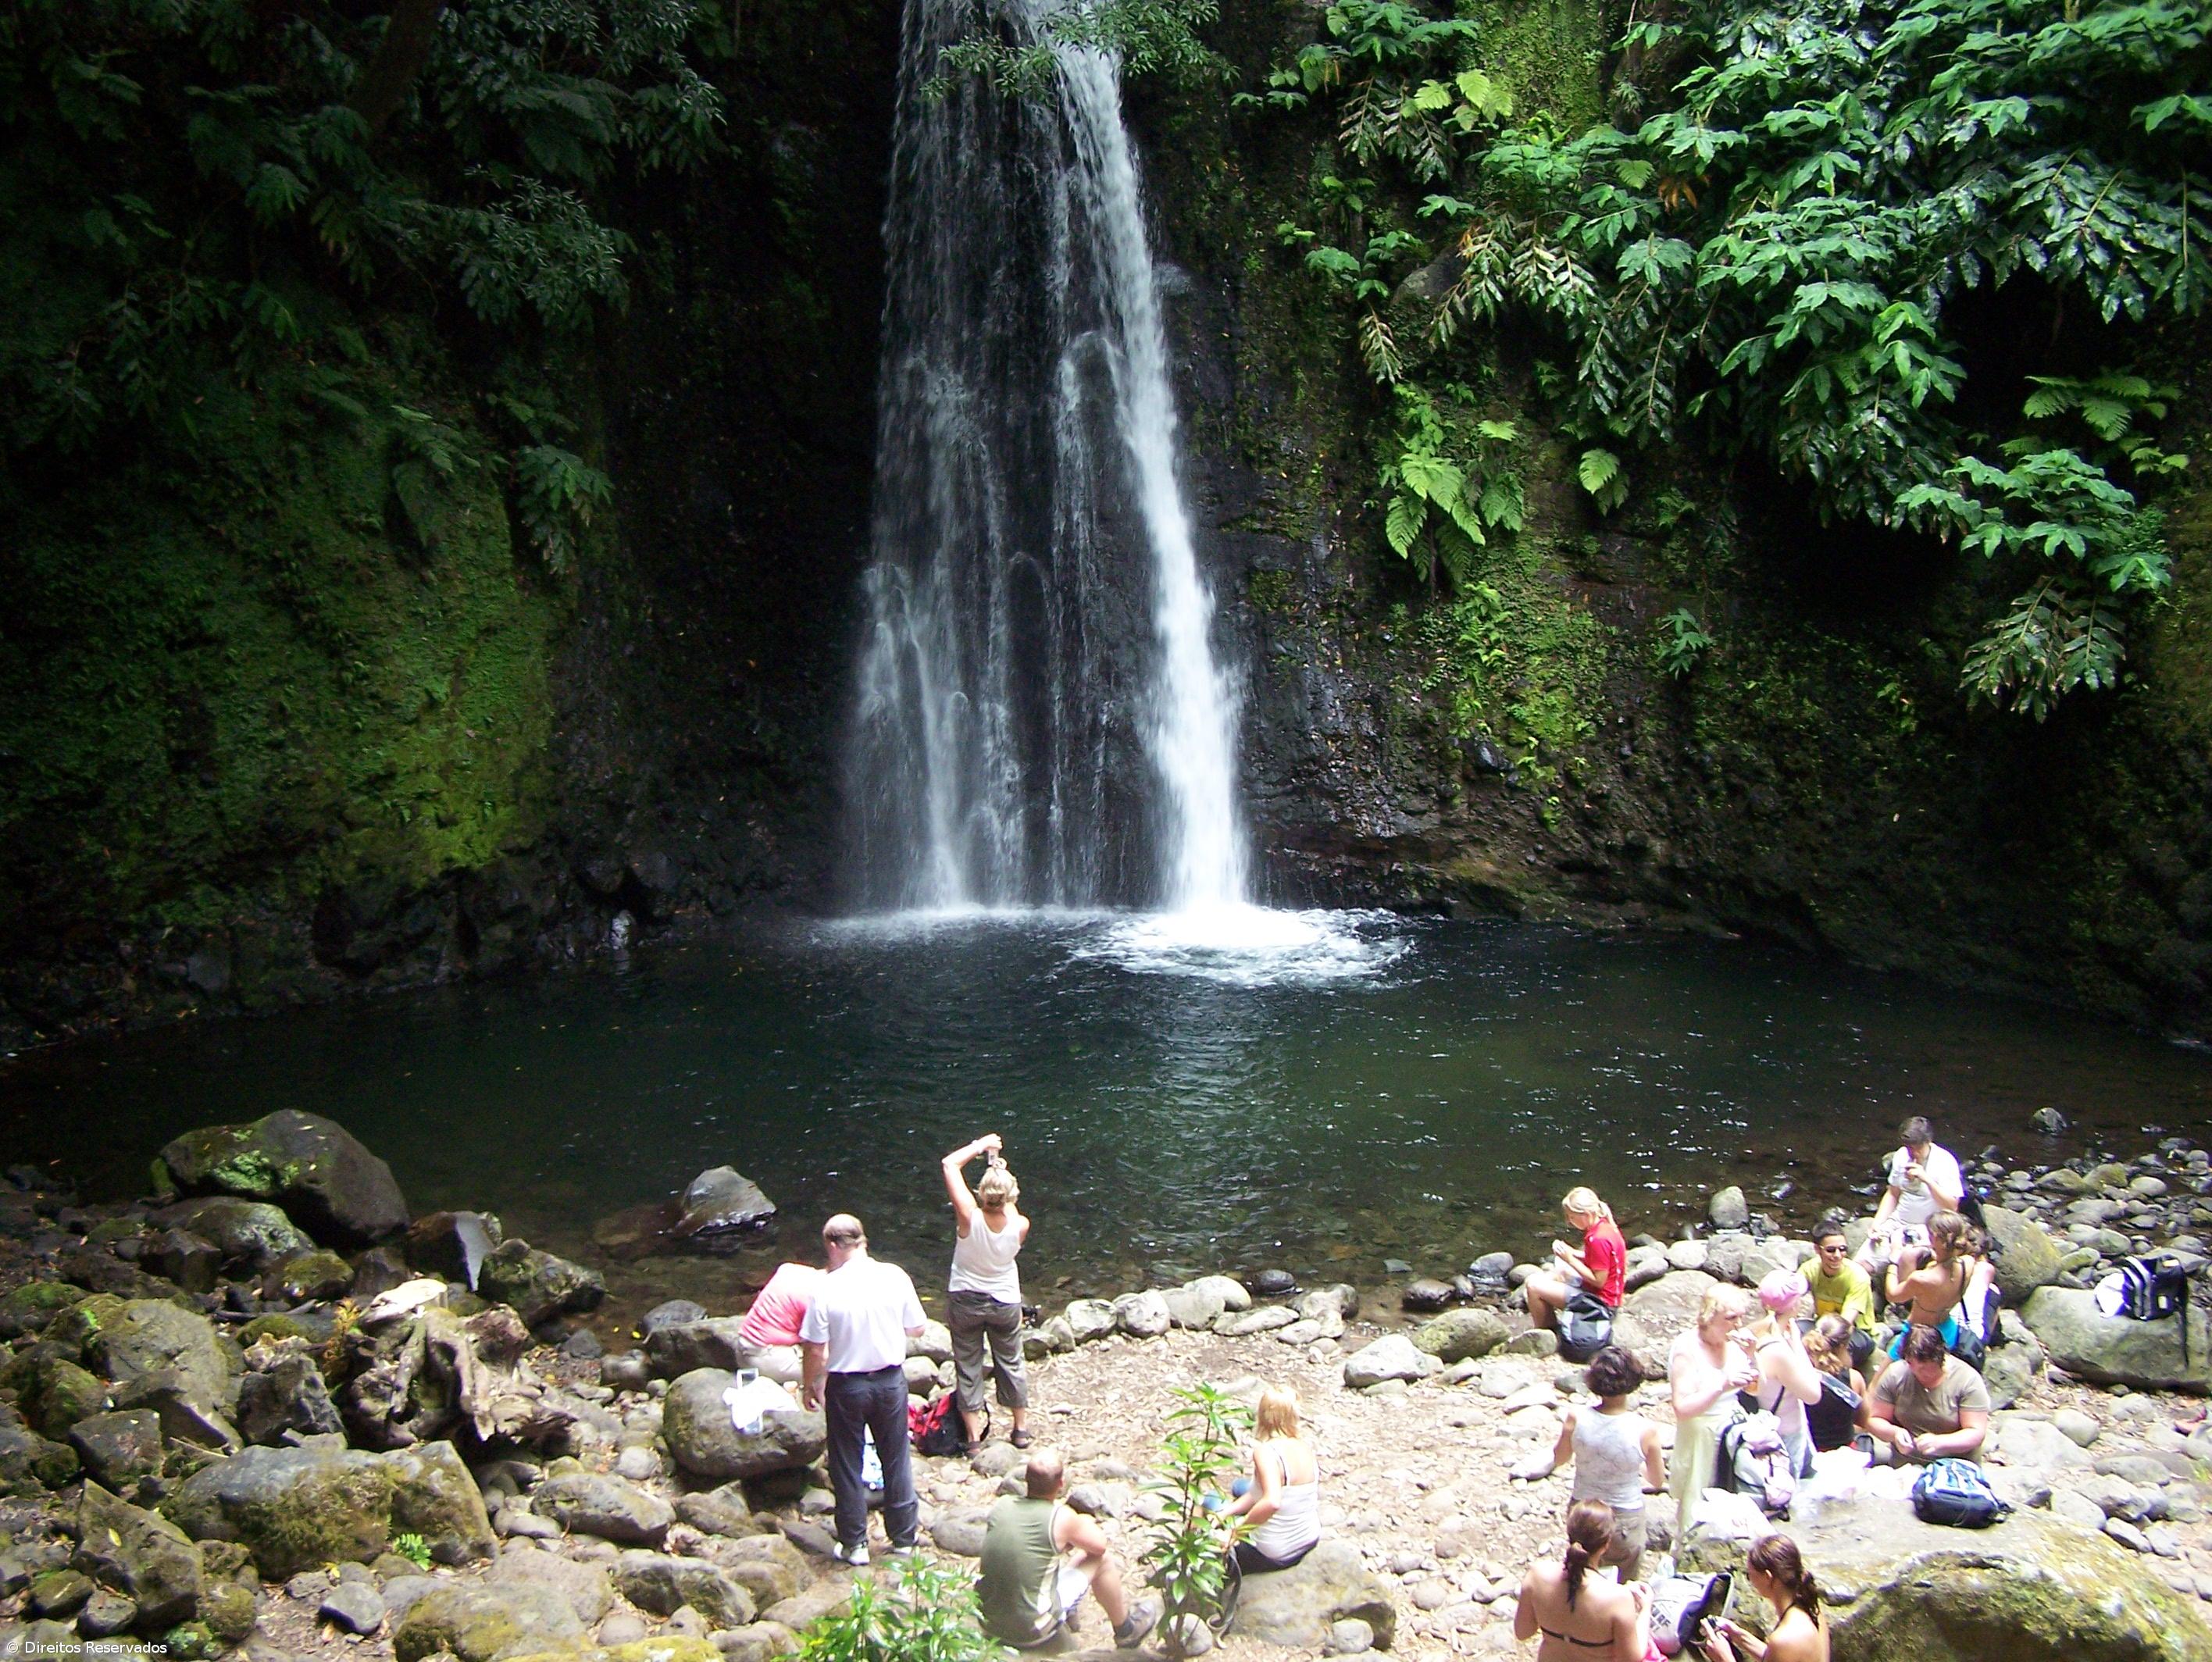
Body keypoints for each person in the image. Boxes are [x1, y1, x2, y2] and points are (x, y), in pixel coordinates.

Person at [799, 1214, 927, 1566]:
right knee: (896, 1457)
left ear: (831, 1245)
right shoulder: (894, 1276)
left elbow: (814, 1347)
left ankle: (855, 1543)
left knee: (846, 1462)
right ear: (863, 1241)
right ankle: (904, 1538)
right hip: (890, 1380)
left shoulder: (826, 1287)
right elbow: (917, 1328)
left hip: (847, 1384)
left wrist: (810, 1384)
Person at [979, 1449, 1161, 1650]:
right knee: (1102, 1561)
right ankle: (1126, 1631)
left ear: (1027, 1480)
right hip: (1031, 1629)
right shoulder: (1061, 1517)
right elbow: (1099, 1546)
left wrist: (1067, 1539)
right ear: (1060, 1484)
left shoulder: (1003, 1506)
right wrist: (1082, 1522)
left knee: (1050, 1563)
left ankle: (1070, 1609)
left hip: (989, 1621)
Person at [1520, 1345, 1662, 1579]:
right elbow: (1657, 1481)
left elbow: (1560, 1458)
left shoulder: (1576, 1418)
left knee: (1582, 1577)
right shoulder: (1645, 1430)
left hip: (1584, 1512)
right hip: (1625, 1515)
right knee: (1624, 1584)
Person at [943, 1133, 1031, 1453]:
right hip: (1004, 1301)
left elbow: (950, 1164)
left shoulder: (969, 1217)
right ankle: (1020, 1430)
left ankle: (973, 1439)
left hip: (965, 1298)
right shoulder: (1021, 1225)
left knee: (968, 1366)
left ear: (981, 1193)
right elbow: (1009, 1207)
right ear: (1010, 1195)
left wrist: (980, 1146)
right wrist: (1000, 1173)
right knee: (1011, 1362)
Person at [1512, 1500, 1652, 1662]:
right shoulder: (1618, 1599)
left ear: (1569, 1534)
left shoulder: (1537, 1576)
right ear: (1607, 1544)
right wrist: (1645, 1608)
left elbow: (1523, 1632)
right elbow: (1630, 1659)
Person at [1668, 1284, 1756, 1543]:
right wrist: (1721, 1385)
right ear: (1709, 1317)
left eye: (1741, 1317)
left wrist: (1752, 1356)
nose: (1738, 1324)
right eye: (1731, 1318)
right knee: (1697, 1502)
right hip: (1701, 1433)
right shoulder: (1687, 1348)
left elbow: (1755, 1389)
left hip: (1733, 1429)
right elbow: (1682, 1409)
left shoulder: (1735, 1344)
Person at [1224, 1385, 1322, 1574]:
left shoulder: (1266, 1453)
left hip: (1273, 1552)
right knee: (1239, 1487)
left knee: (1210, 1501)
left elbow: (1272, 1502)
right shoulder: (1304, 1447)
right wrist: (1226, 1512)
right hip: (1309, 1537)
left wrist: (1235, 1532)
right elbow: (1257, 1493)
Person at [1864, 1324, 1989, 1465]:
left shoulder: (1967, 1380)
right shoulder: (1896, 1374)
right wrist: (1894, 1433)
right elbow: (1875, 1419)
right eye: (1911, 1364)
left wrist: (1941, 1442)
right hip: (1906, 1463)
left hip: (1954, 1464)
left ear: (1939, 1358)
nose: (1917, 1371)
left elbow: (1976, 1432)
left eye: (1924, 1367)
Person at [1697, 1533, 1828, 1662]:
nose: (1750, 1581)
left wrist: (1723, 1657)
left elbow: (1782, 1650)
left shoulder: (1784, 1639)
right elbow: (1780, 1657)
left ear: (1767, 1577)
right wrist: (1737, 1634)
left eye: (1750, 1575)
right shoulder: (1813, 1614)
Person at [1857, 1115, 1963, 1270]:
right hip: (1899, 1220)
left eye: (1917, 1149)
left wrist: (1926, 1179)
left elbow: (1952, 1206)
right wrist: (1878, 1223)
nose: (1913, 1153)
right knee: (1860, 1264)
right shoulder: (1901, 1155)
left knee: (1903, 1257)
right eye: (1909, 1148)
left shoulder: (1945, 1161)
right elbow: (1893, 1193)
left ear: (1928, 1142)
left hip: (1929, 1228)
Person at [1746, 1268, 1821, 1476]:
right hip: (1785, 1437)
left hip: (1771, 1428)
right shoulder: (1777, 1349)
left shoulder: (1754, 1333)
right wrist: (1797, 1342)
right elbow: (1813, 1395)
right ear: (1794, 1304)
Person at [1525, 1188, 1628, 1333]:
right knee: (1556, 1273)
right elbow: (1603, 1261)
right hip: (1608, 1296)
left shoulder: (1597, 1239)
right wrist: (1572, 1253)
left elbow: (1599, 1281)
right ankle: (1551, 1320)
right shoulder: (1606, 1226)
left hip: (1601, 1304)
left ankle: (1546, 1332)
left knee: (1533, 1286)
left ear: (1586, 1214)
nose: (1569, 1221)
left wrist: (1570, 1259)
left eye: (1572, 1217)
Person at [1882, 1210, 1970, 1355]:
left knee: (1884, 1370)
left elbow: (1892, 1295)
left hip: (1920, 1336)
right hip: (1948, 1331)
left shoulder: (1922, 1279)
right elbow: (1947, 1263)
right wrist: (1933, 1250)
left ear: (1934, 1237)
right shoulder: (1968, 1264)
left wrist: (1894, 1261)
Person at [1800, 1212, 1875, 1371]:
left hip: (1856, 1331)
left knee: (1837, 1345)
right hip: (1822, 1326)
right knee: (1794, 1329)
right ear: (1817, 1250)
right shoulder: (1809, 1269)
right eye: (1831, 1250)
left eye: (1842, 1249)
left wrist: (1817, 1342)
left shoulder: (1858, 1277)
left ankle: (1842, 1377)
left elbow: (1845, 1324)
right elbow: (1790, 1298)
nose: (1837, 1256)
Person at [737, 1261, 822, 1385]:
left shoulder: (789, 1269)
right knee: (827, 1370)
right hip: (764, 1358)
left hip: (743, 1347)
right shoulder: (817, 1301)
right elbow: (817, 1350)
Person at [1801, 1314, 1869, 1453]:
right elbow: (1864, 1422)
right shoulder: (1854, 1379)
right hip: (1844, 1452)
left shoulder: (1799, 1376)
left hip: (1807, 1451)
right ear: (1843, 1346)